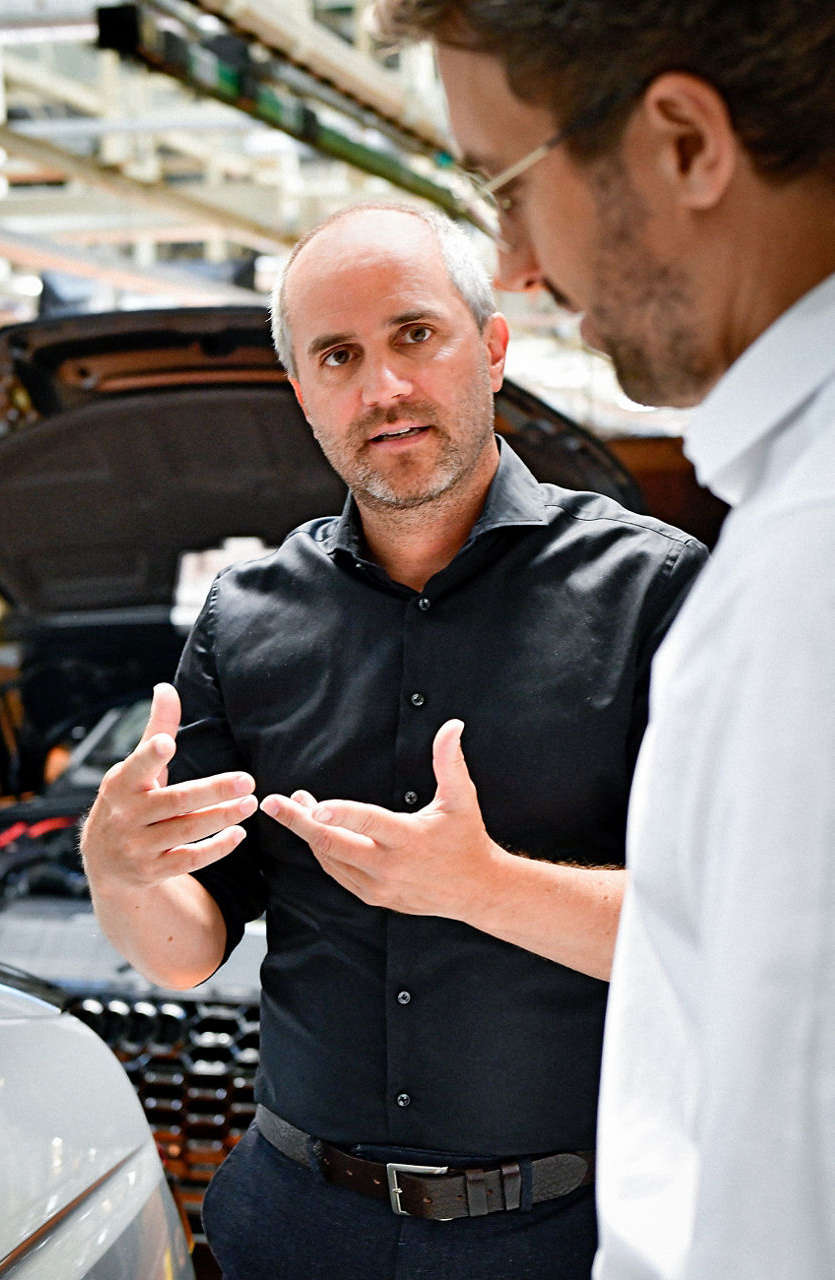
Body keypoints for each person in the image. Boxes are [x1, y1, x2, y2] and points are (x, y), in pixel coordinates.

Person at [80, 202, 705, 1279]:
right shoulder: (245, 619)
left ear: (492, 347)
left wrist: (480, 882)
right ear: (304, 393)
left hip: (567, 1230)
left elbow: (726, 935)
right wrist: (116, 867)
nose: (384, 388)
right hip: (296, 1222)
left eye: (415, 335)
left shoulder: (652, 592)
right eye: (339, 355)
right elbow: (188, 947)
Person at [366, 2, 835, 1277]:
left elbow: (786, 1182)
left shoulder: (804, 573)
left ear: (685, 142)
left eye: (509, 189)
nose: (513, 260)